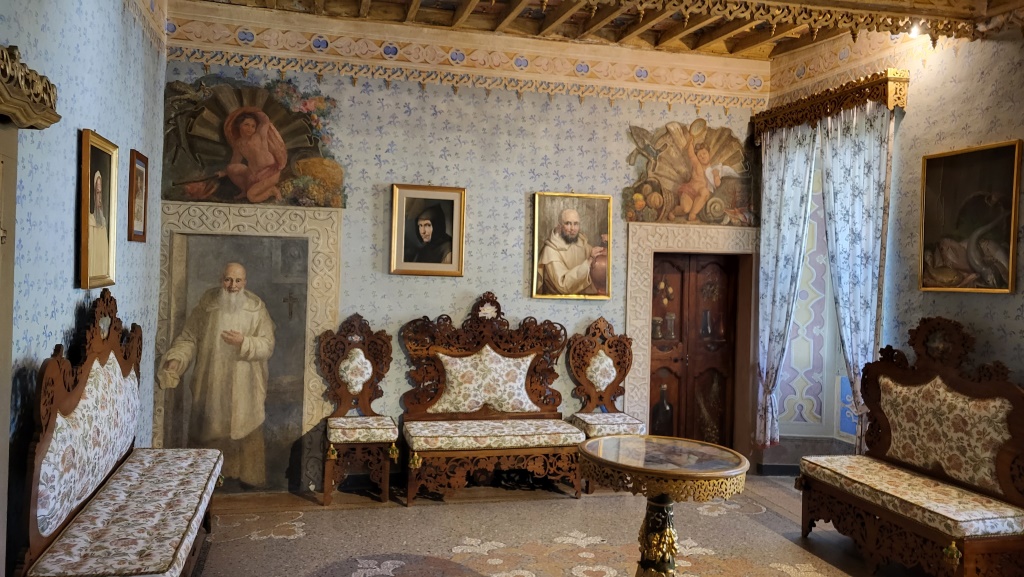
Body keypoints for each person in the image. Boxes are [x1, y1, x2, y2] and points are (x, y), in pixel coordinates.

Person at [158, 262, 276, 489]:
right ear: (221, 279)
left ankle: (246, 484)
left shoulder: (256, 309)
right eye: (228, 279)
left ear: (245, 282)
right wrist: (177, 359)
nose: (232, 286)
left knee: (245, 430)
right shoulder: (207, 306)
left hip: (244, 386)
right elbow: (189, 338)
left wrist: (244, 342)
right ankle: (205, 483)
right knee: (210, 430)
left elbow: (267, 345)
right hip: (212, 382)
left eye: (238, 280)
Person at [220, 108, 288, 204]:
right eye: (246, 125)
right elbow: (235, 161)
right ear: (239, 126)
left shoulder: (259, 136)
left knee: (252, 197)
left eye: (253, 126)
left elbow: (265, 121)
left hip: (270, 172)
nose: (250, 128)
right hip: (254, 174)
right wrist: (224, 172)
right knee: (231, 168)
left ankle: (272, 190)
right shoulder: (239, 144)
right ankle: (245, 190)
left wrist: (252, 110)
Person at [537, 208, 607, 295]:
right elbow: (563, 286)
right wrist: (589, 261)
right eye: (568, 223)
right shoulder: (550, 251)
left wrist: (604, 251)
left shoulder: (582, 243)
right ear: (559, 226)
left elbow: (596, 256)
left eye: (576, 224)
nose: (572, 228)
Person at [88, 171, 110, 276]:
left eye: (101, 193)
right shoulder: (89, 221)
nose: (100, 199)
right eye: (97, 193)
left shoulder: (103, 222)